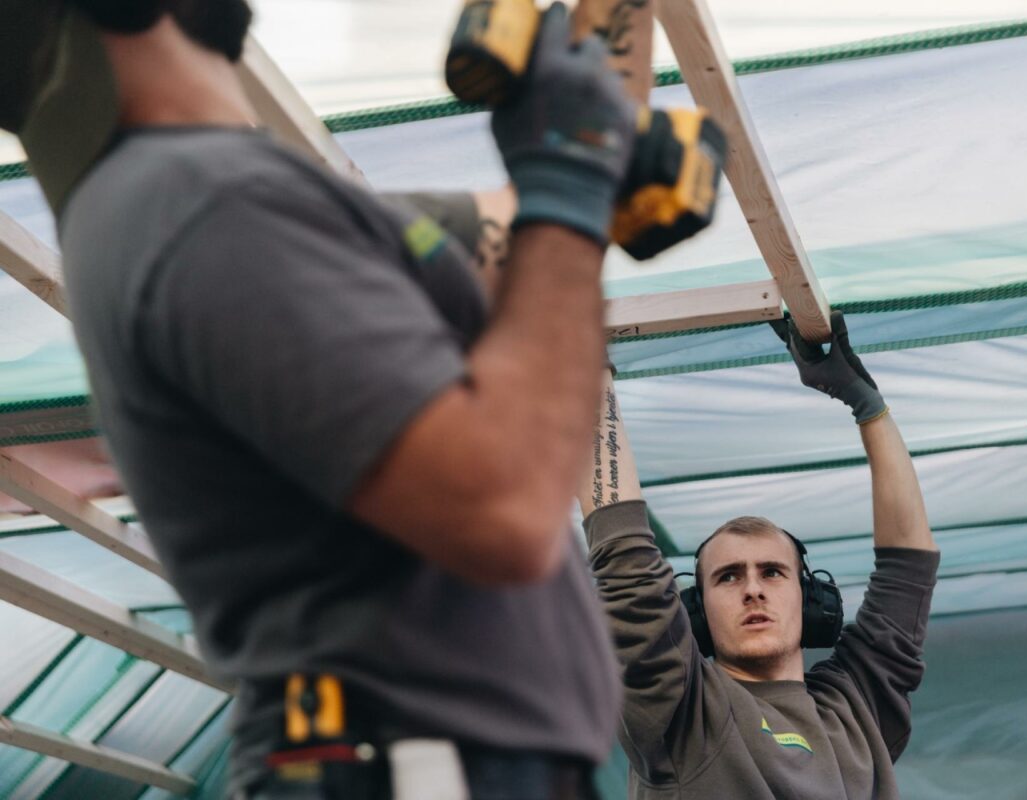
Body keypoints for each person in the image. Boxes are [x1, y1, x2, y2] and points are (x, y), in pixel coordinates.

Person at [2, 2, 642, 798]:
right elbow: (501, 510)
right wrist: (572, 182)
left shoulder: (225, 200)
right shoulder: (203, 210)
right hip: (415, 768)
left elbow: (515, 237)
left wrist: (589, 153)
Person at [579, 311, 940, 799]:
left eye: (772, 572)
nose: (752, 588)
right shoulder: (685, 713)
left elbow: (908, 569)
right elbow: (626, 565)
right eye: (728, 577)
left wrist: (866, 404)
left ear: (809, 597)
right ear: (696, 613)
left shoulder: (854, 710)